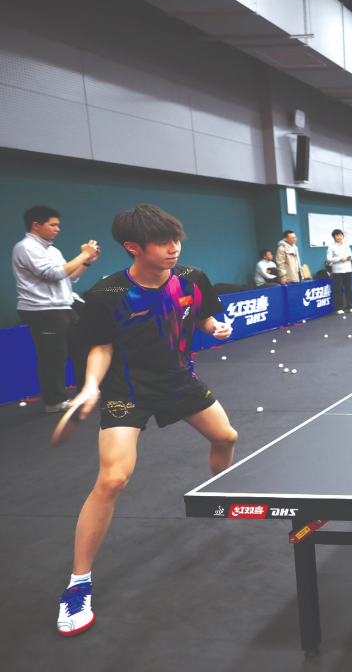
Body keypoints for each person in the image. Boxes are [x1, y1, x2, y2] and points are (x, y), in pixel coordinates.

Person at [60, 204, 236, 636]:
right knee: (113, 479)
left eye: (176, 239)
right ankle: (78, 584)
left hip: (179, 382)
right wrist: (90, 386)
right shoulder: (107, 293)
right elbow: (100, 348)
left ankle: (219, 495)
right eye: (162, 243)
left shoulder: (192, 278)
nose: (174, 248)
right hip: (127, 391)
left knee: (226, 437)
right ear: (133, 247)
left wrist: (215, 327)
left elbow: (201, 316)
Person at [12, 205, 99, 413]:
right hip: (42, 310)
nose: (57, 229)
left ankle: (86, 391)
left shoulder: (52, 250)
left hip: (64, 306)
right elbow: (53, 274)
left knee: (83, 348)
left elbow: (68, 278)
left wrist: (86, 262)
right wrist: (83, 254)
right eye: (53, 225)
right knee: (53, 357)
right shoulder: (25, 247)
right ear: (36, 225)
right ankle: (54, 402)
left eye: (57, 225)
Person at [326, 229, 352, 314]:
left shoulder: (346, 245)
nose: (339, 237)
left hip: (348, 269)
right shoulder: (331, 247)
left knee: (349, 288)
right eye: (337, 235)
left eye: (341, 235)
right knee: (338, 290)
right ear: (334, 237)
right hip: (337, 271)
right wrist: (339, 259)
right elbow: (328, 259)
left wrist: (350, 257)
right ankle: (339, 308)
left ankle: (350, 306)